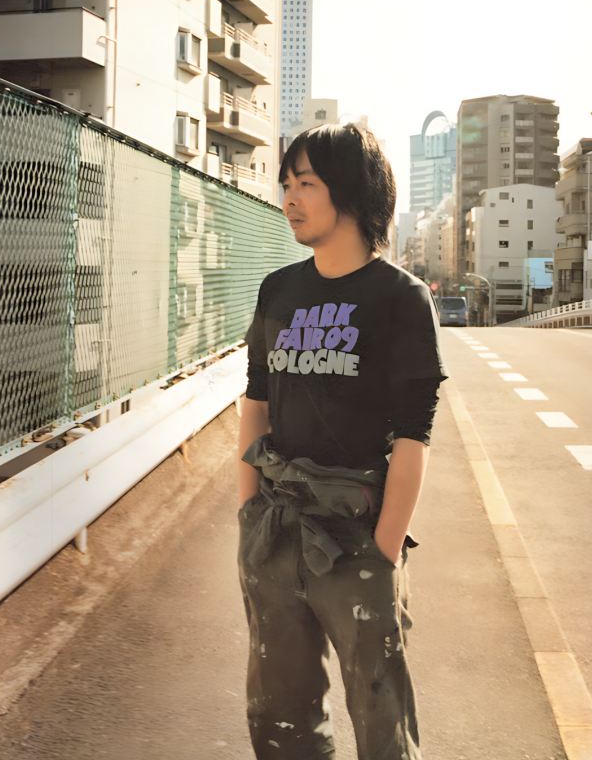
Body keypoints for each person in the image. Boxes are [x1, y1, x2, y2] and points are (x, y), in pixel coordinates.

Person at [238, 122, 446, 760]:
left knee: (382, 728)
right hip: (275, 534)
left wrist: (384, 549)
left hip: (358, 541)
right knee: (279, 724)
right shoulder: (279, 289)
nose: (290, 198)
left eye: (306, 183)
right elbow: (256, 404)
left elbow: (415, 431)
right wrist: (248, 515)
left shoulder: (400, 299)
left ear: (350, 194)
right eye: (287, 184)